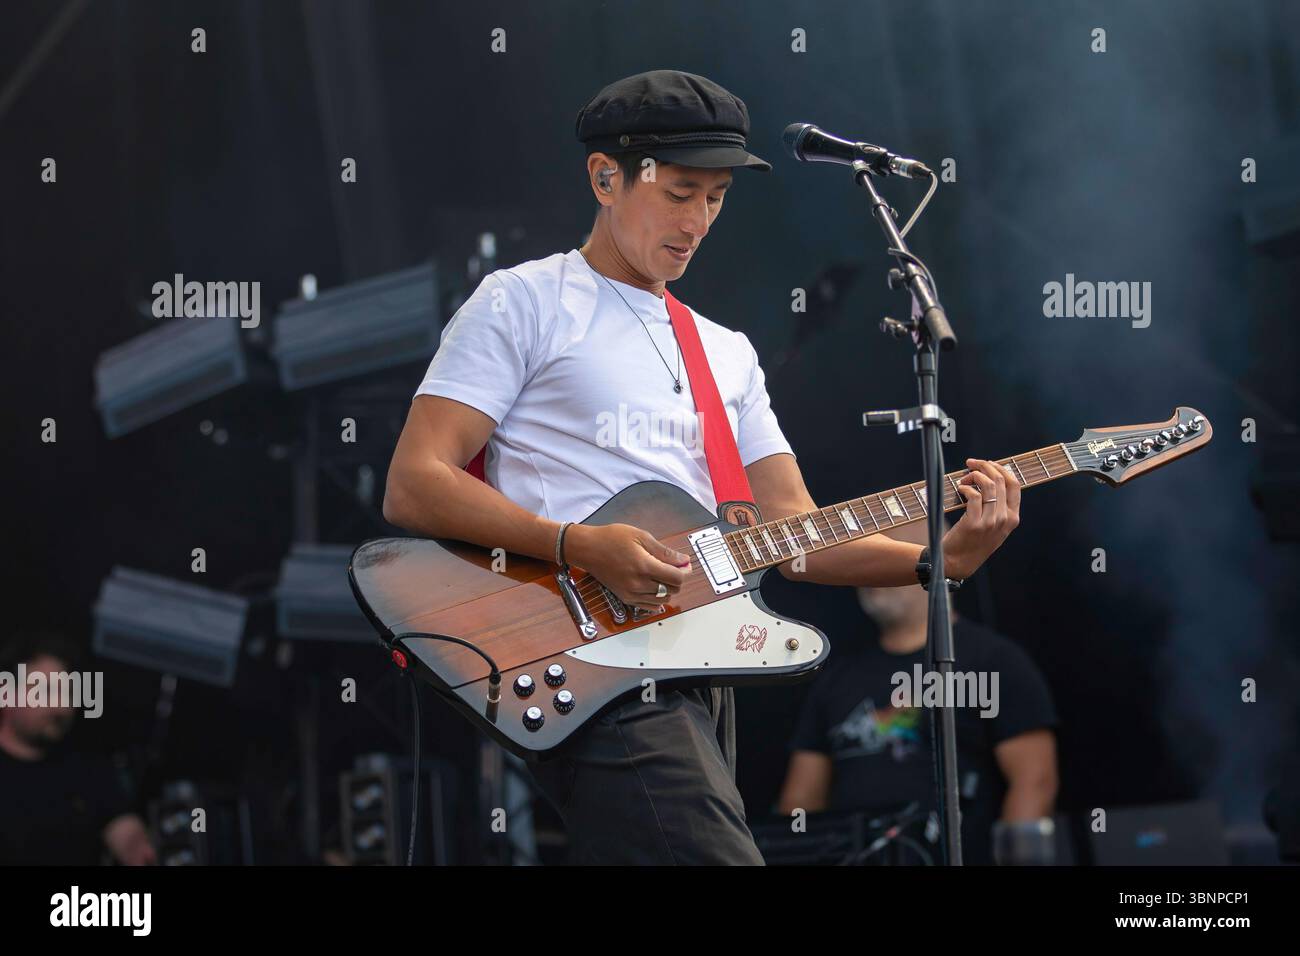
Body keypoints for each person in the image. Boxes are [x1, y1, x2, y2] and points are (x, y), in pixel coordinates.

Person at [383, 69, 1022, 864]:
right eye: (681, 192)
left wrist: (936, 559)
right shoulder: (523, 302)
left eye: (716, 197)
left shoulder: (726, 352)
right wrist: (580, 546)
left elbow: (794, 532)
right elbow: (415, 484)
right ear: (605, 177)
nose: (700, 220)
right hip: (580, 656)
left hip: (697, 657)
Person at [778, 521, 1058, 864]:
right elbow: (801, 799)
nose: (870, 571)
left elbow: (1035, 780)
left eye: (889, 553)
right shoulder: (835, 677)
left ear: (941, 561)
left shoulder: (995, 659)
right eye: (866, 557)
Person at [0, 631, 156, 865]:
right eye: (46, 691)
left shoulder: (88, 770)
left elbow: (127, 834)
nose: (61, 706)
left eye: (69, 694)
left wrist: (142, 850)